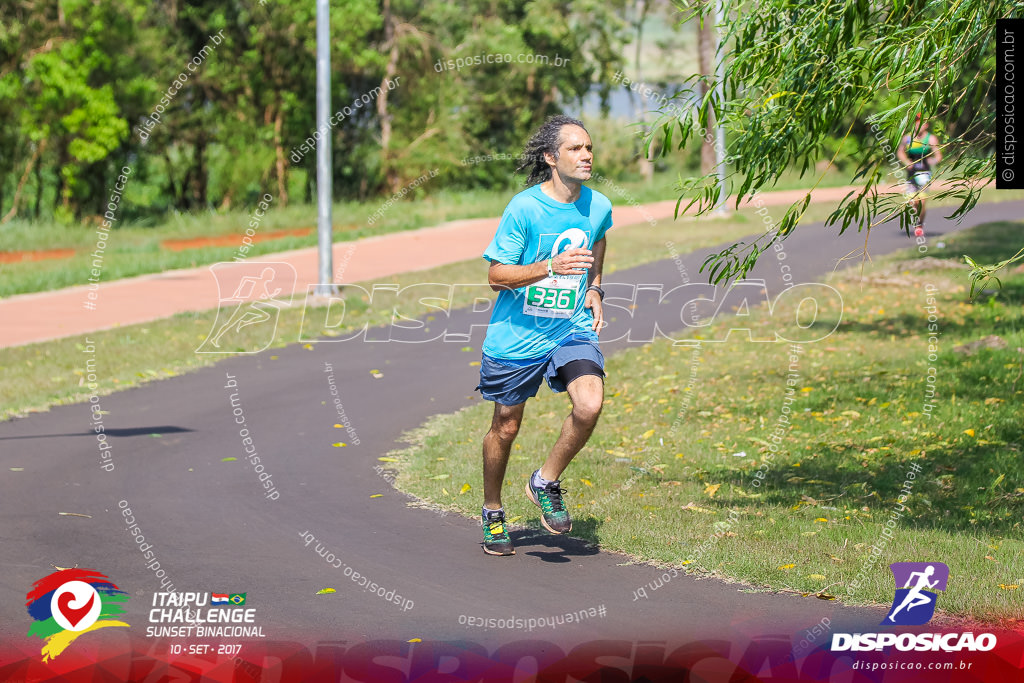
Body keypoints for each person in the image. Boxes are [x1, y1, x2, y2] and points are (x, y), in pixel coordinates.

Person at [475, 115, 613, 556]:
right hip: (516, 335)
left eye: (589, 147)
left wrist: (593, 286)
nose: (587, 155)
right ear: (551, 158)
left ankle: (545, 480)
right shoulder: (524, 208)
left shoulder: (599, 205)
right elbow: (496, 275)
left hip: (569, 326)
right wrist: (549, 267)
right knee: (506, 426)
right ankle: (493, 512)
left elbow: (598, 240)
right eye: (575, 149)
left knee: (589, 404)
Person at [896, 114, 942, 236]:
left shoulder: (931, 139)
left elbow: (938, 156)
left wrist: (934, 161)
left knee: (921, 202)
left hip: (924, 175)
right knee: (912, 202)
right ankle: (916, 221)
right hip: (911, 175)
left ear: (926, 125)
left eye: (921, 122)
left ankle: (919, 224)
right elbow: (900, 152)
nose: (918, 124)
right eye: (916, 121)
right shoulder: (907, 138)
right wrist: (906, 162)